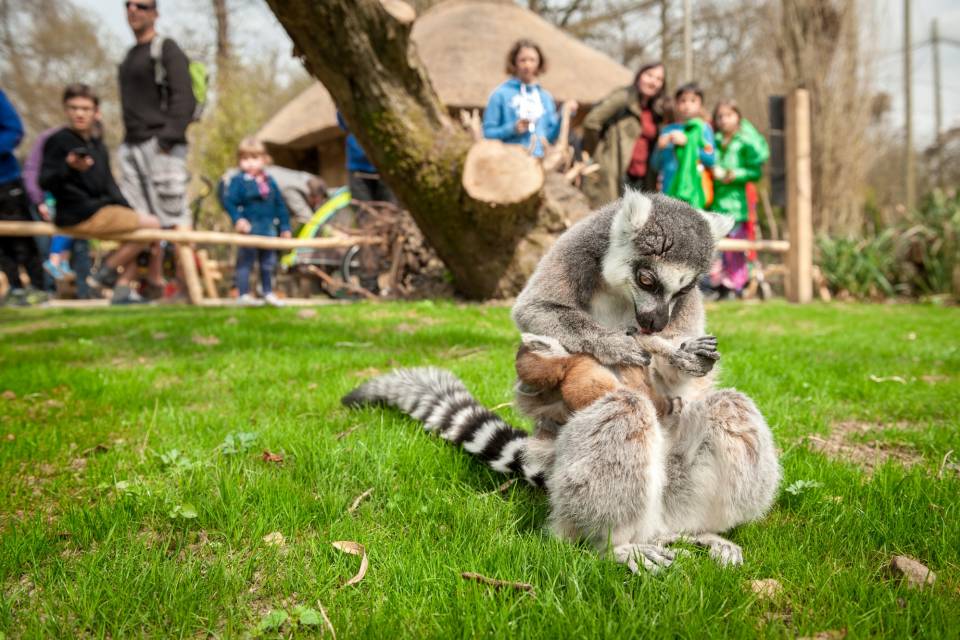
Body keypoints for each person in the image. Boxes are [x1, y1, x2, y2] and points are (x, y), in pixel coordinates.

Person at [40, 84, 161, 304]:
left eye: (85, 108)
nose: (79, 113)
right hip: (77, 215)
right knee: (151, 225)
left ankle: (122, 292)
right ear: (66, 110)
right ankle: (105, 272)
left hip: (100, 210)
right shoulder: (58, 141)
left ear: (96, 112)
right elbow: (45, 181)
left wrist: (129, 212)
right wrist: (68, 167)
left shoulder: (97, 146)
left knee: (138, 234)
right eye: (74, 107)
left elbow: (109, 187)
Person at [117, 0, 196, 299]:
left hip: (160, 146)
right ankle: (149, 287)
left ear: (155, 13)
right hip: (131, 145)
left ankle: (189, 288)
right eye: (129, 5)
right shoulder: (128, 56)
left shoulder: (166, 49)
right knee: (141, 220)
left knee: (173, 217)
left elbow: (184, 99)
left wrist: (166, 140)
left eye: (143, 5)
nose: (134, 10)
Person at [581, 61, 666, 207]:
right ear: (639, 76)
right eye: (649, 75)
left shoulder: (657, 111)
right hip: (617, 174)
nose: (654, 82)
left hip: (642, 179)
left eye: (659, 79)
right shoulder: (623, 97)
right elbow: (591, 122)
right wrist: (599, 153)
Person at [708, 99, 769, 298]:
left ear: (738, 118)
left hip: (737, 205)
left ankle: (736, 286)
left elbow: (756, 170)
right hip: (716, 204)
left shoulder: (743, 141)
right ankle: (718, 285)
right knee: (716, 249)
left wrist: (734, 174)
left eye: (729, 115)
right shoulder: (714, 141)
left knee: (735, 250)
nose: (724, 120)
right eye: (720, 116)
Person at [223, 138, 291, 307]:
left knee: (268, 264)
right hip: (249, 230)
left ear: (264, 159)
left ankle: (267, 292)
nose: (250, 163)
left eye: (254, 158)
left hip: (268, 230)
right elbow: (229, 202)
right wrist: (238, 219)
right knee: (245, 263)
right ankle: (243, 293)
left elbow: (280, 205)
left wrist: (285, 226)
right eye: (245, 159)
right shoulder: (239, 181)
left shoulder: (269, 181)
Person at [483, 39, 572, 159]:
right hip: (507, 161)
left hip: (538, 164)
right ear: (514, 62)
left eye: (532, 60)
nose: (527, 65)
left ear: (539, 63)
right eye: (523, 60)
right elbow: (488, 133)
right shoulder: (499, 95)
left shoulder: (545, 97)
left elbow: (548, 137)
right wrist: (512, 129)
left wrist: (564, 114)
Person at [0, 89, 47, 306]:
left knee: (22, 238)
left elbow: (14, 130)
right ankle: (15, 289)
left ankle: (39, 288)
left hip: (6, 181)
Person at [657, 83, 716, 209]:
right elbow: (655, 164)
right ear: (676, 104)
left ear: (700, 105)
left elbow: (711, 159)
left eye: (693, 101)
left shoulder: (704, 128)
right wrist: (659, 148)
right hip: (669, 191)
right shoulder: (668, 130)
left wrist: (688, 143)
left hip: (694, 192)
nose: (687, 105)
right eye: (682, 101)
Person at [219, 164, 326, 227]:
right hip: (229, 187)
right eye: (316, 201)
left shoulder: (303, 179)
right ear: (313, 197)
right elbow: (308, 218)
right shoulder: (292, 189)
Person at [337, 112, 395, 204]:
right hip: (357, 169)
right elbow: (344, 125)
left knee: (392, 210)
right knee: (364, 212)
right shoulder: (344, 106)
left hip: (386, 165)